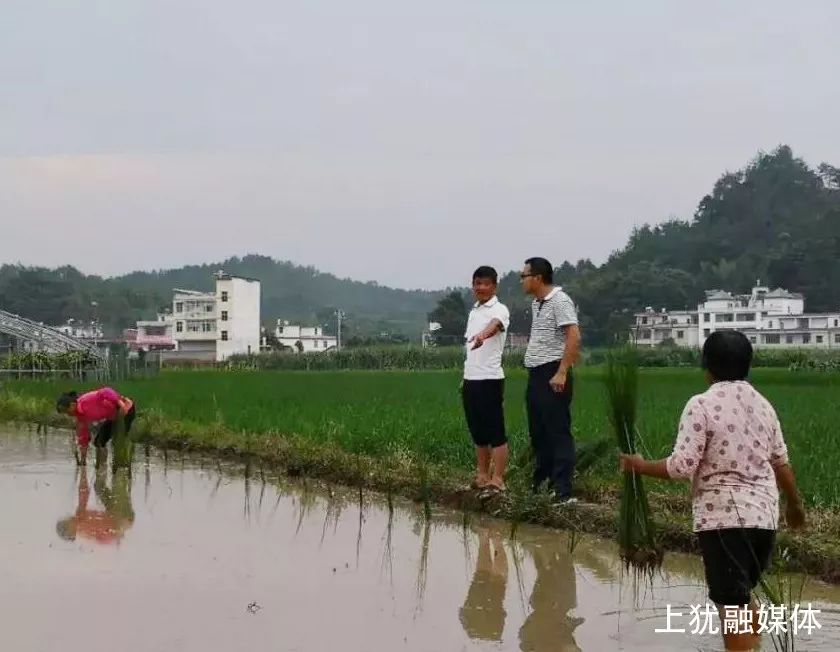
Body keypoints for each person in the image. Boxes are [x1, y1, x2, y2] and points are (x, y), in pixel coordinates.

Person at [619, 330, 806, 652]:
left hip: (724, 521)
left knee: (730, 606)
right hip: (764, 521)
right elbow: (781, 462)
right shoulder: (764, 405)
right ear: (748, 365)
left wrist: (639, 465)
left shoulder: (702, 404)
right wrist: (795, 506)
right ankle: (753, 645)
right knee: (742, 593)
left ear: (706, 366)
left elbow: (681, 467)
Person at [520, 257, 581, 502]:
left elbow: (574, 336)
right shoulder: (537, 303)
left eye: (524, 276)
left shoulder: (560, 301)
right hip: (536, 373)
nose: (522, 280)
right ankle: (541, 483)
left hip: (553, 372)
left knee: (557, 431)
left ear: (538, 277)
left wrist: (562, 371)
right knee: (538, 431)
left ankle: (562, 491)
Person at [462, 266, 510, 493]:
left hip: (490, 379)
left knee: (495, 431)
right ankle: (482, 475)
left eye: (485, 284)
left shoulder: (499, 309)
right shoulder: (473, 312)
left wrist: (482, 335)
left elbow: (495, 326)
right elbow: (471, 351)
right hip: (471, 379)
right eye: (477, 284)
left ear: (494, 286)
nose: (480, 288)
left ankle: (497, 478)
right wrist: (465, 378)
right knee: (478, 431)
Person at [56, 465, 135, 545]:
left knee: (99, 486)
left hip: (116, 514)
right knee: (119, 477)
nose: (67, 518)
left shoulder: (81, 523)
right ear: (70, 530)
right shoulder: (82, 525)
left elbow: (83, 493)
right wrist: (120, 528)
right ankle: (122, 465)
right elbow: (108, 535)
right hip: (122, 517)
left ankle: (103, 463)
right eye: (66, 522)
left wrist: (84, 473)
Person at [56, 387, 136, 465]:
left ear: (72, 405)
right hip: (113, 417)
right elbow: (84, 437)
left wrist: (122, 405)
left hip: (126, 410)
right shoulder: (80, 417)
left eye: (66, 411)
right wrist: (83, 460)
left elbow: (106, 391)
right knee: (99, 442)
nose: (67, 415)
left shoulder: (86, 400)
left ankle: (124, 465)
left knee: (119, 440)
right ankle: (102, 468)